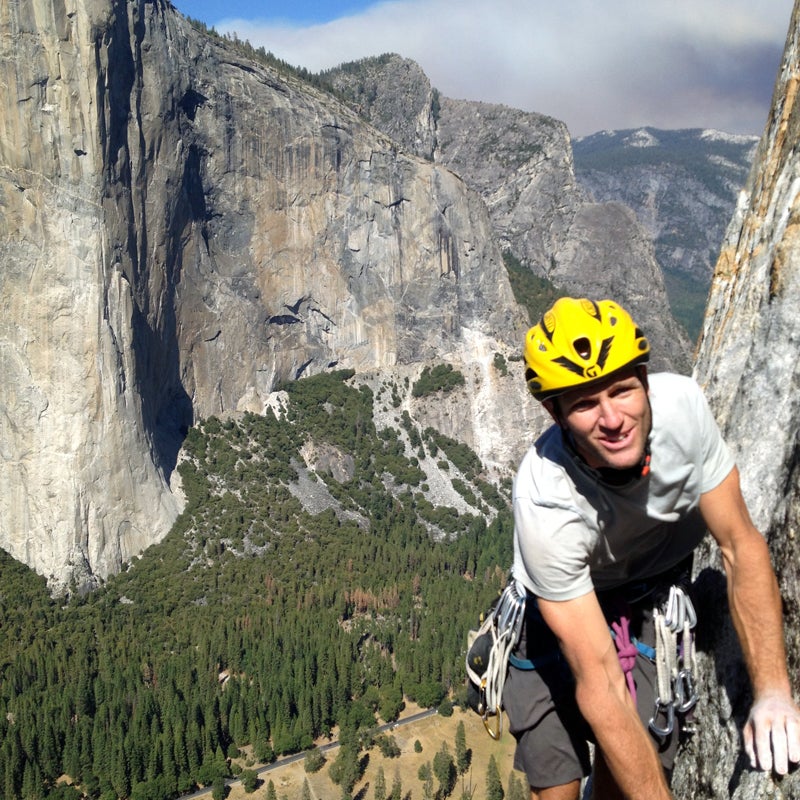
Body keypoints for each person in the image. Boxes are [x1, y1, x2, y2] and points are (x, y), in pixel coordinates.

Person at [506, 296, 800, 800]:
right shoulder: (545, 498)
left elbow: (740, 545)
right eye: (583, 403)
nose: (612, 418)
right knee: (556, 785)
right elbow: (597, 675)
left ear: (644, 378)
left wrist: (773, 691)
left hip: (649, 600)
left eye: (622, 390)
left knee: (629, 779)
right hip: (559, 614)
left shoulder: (683, 411)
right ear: (553, 413)